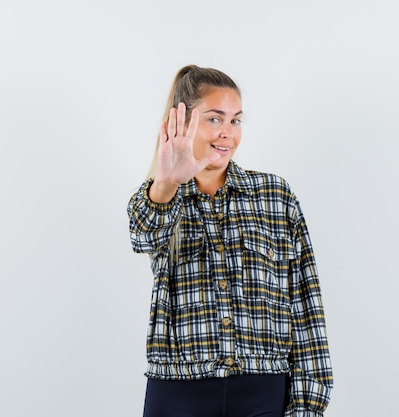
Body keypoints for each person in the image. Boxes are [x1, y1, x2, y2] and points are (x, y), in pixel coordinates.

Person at [127, 65, 333, 417]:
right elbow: (143, 235)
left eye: (235, 121)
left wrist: (307, 406)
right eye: (214, 119)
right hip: (178, 392)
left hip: (263, 392)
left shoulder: (274, 195)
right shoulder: (159, 197)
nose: (227, 133)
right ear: (183, 121)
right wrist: (167, 183)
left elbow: (304, 304)